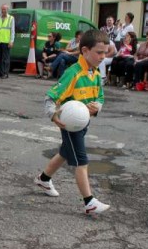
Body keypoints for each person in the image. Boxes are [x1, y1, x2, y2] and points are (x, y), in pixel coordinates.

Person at [34, 29, 110, 215]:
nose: (103, 56)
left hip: (84, 123)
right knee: (81, 160)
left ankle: (43, 179)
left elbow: (100, 97)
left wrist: (96, 107)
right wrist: (53, 114)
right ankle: (89, 202)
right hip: (70, 125)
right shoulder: (73, 73)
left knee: (65, 153)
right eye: (99, 52)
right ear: (84, 51)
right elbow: (51, 97)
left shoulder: (96, 74)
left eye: (105, 52)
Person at [0, 4, 15, 79]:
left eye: (4, 9)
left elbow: (12, 31)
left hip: (6, 41)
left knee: (5, 58)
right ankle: (0, 73)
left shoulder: (11, 18)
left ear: (7, 10)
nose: (3, 11)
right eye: (2, 9)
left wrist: (11, 41)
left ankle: (5, 73)